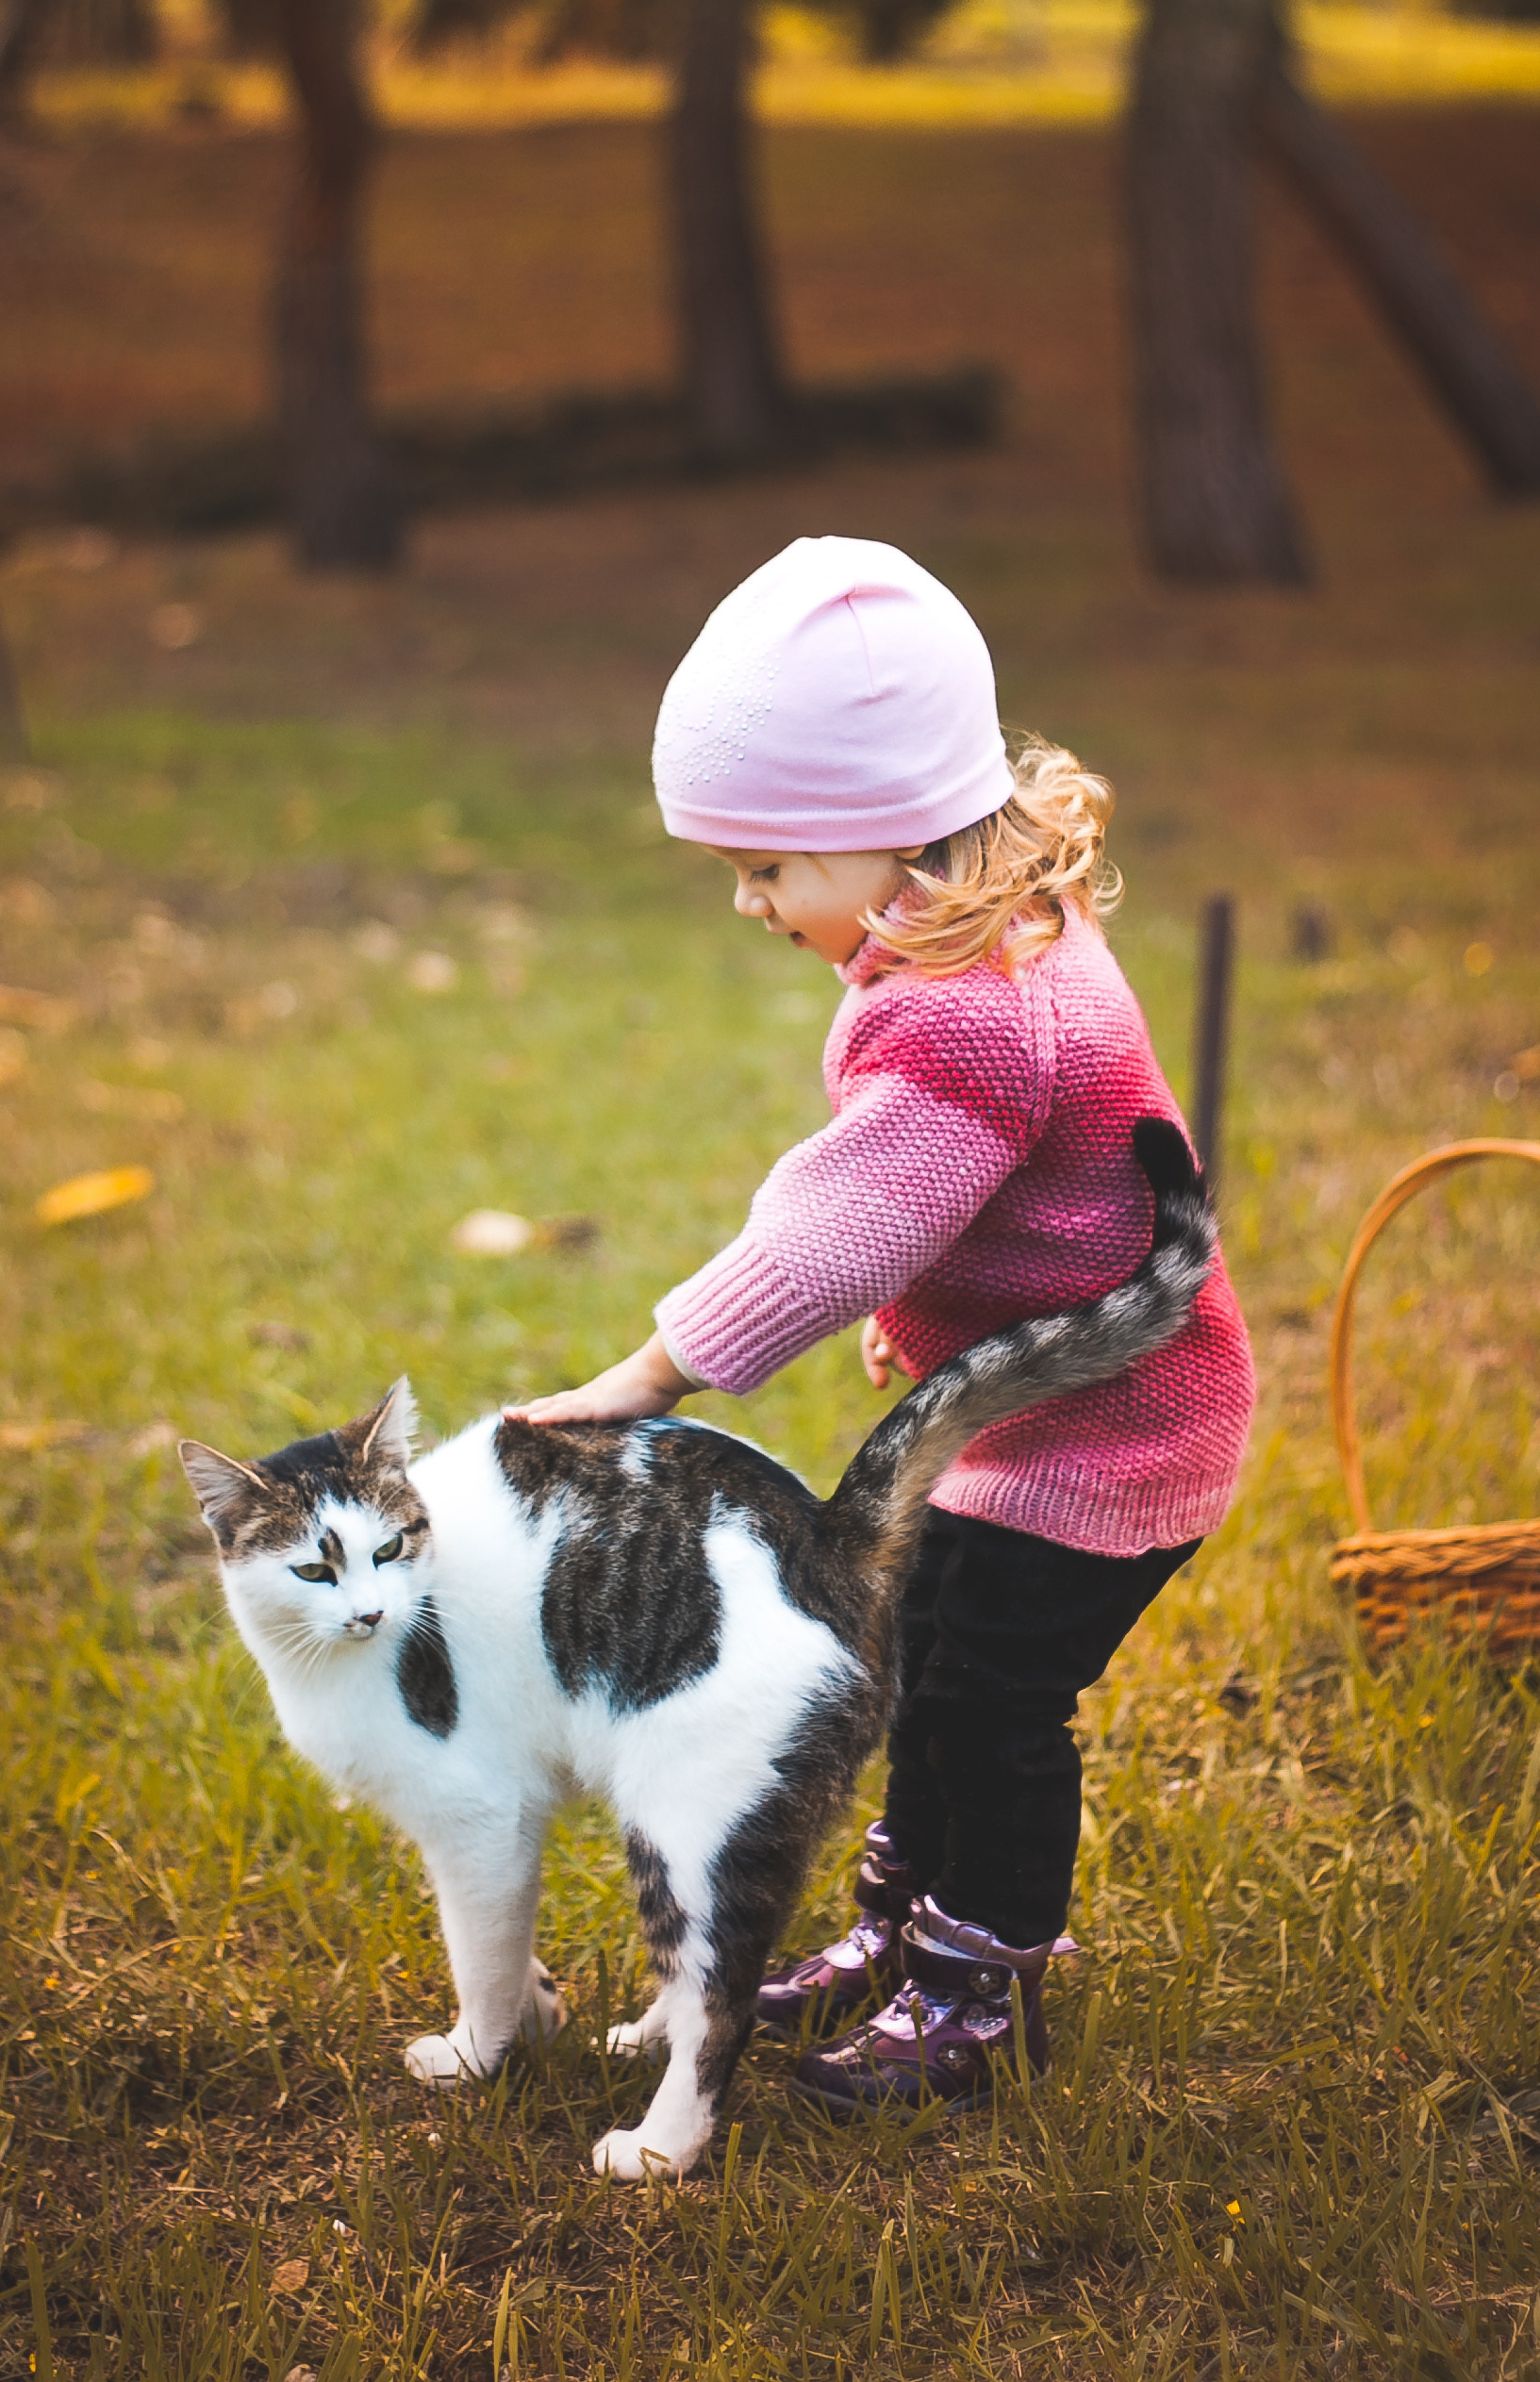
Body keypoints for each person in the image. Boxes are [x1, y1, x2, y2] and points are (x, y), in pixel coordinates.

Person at [510, 536, 1256, 2118]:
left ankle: (978, 1987)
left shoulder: (962, 1006)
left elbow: (842, 1223)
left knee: (988, 1696)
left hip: (1110, 1432)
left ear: (891, 842)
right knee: (915, 1657)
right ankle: (900, 1937)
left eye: (768, 867)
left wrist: (648, 1375)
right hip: (1035, 1404)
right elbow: (996, 1201)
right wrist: (925, 1320)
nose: (744, 902)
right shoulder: (991, 929)